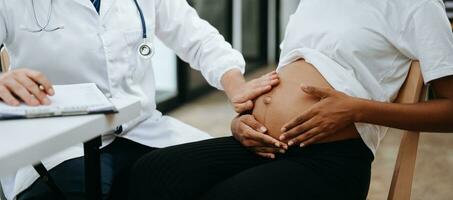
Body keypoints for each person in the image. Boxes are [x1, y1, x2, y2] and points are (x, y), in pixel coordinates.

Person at [128, 0, 453, 199]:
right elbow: (283, 79)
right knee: (153, 172)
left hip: (331, 159)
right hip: (264, 145)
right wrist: (244, 118)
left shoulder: (418, 6)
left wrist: (356, 109)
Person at [0, 0, 280, 199]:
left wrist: (235, 85)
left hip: (143, 128)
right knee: (75, 190)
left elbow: (197, 37)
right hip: (62, 143)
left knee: (233, 174)